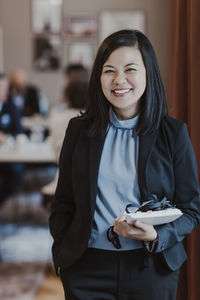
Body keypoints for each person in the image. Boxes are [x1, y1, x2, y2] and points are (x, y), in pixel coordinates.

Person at [49, 30, 200, 300]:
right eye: (109, 71)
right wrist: (64, 249)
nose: (119, 80)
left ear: (147, 73)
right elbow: (63, 202)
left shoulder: (173, 134)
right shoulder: (79, 130)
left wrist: (156, 235)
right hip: (86, 268)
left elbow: (191, 210)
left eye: (130, 69)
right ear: (99, 77)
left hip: (152, 269)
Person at [0, 73, 24, 206]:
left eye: (5, 88)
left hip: (8, 154)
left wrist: (6, 137)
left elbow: (19, 132)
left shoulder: (11, 107)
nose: (3, 91)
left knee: (17, 170)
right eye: (0, 87)